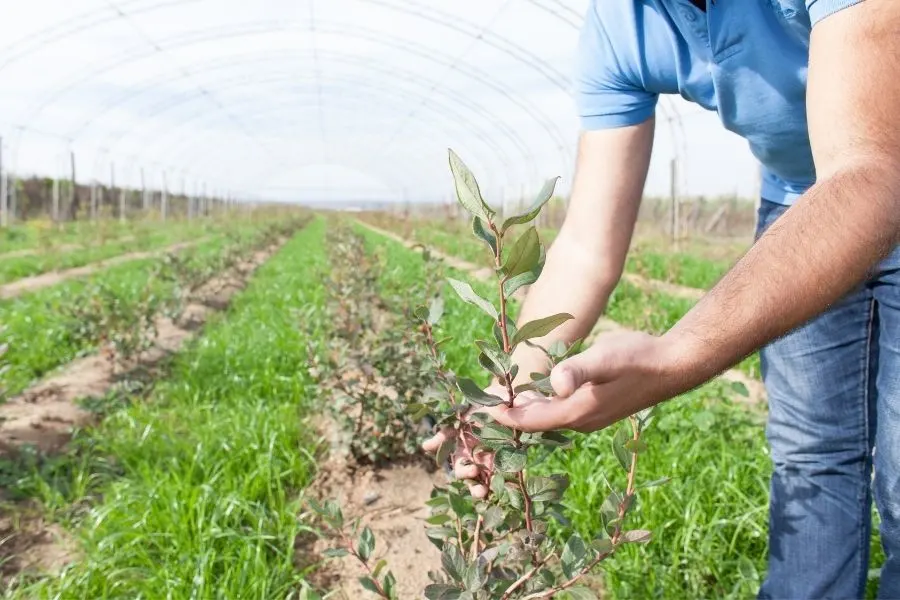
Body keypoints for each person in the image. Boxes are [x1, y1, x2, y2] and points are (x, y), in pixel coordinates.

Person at [422, 1, 900, 598]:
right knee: (810, 457)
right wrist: (510, 391)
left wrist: (681, 351)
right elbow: (586, 250)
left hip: (880, 173)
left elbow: (875, 172)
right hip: (800, 206)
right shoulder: (622, 24)